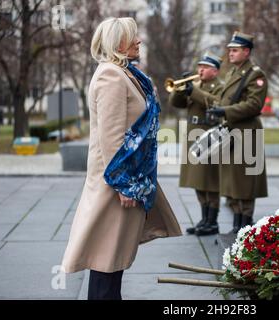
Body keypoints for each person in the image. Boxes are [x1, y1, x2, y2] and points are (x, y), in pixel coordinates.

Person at [61, 17, 181, 300]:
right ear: (118, 43)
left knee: (113, 260)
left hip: (126, 178)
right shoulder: (111, 76)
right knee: (106, 261)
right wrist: (125, 184)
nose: (139, 41)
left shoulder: (125, 74)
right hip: (116, 182)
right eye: (133, 37)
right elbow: (112, 137)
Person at [191, 32, 268, 234]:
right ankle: (237, 225)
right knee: (232, 182)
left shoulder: (255, 75)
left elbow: (254, 105)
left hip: (246, 133)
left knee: (244, 183)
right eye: (230, 50)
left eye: (234, 50)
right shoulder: (234, 73)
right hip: (232, 132)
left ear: (246, 51)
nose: (230, 53)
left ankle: (244, 225)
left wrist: (225, 111)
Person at [168, 53, 223, 236]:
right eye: (199, 66)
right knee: (197, 181)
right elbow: (176, 103)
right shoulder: (196, 85)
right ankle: (203, 219)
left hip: (209, 137)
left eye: (205, 67)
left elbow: (217, 103)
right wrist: (180, 90)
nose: (200, 70)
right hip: (193, 137)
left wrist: (193, 91)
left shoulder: (219, 87)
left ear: (215, 71)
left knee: (210, 181)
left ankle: (212, 221)